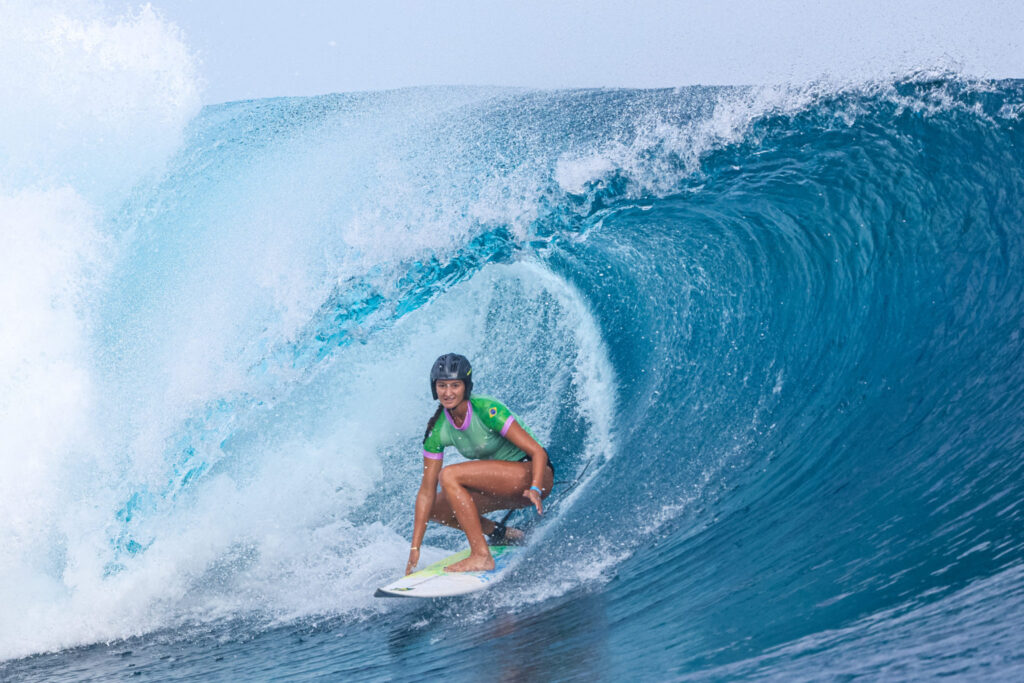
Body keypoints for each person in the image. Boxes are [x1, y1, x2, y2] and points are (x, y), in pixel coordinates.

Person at [406, 353, 554, 574]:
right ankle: (502, 534)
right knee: (434, 509)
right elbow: (426, 492)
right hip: (503, 488)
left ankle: (481, 556)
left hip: (535, 477)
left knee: (449, 475)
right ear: (434, 388)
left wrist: (534, 487)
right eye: (442, 385)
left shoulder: (486, 409)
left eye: (455, 385)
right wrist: (415, 547)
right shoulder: (437, 431)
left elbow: (537, 451)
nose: (448, 392)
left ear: (466, 386)